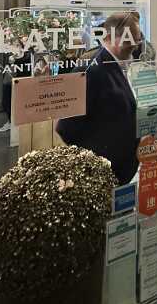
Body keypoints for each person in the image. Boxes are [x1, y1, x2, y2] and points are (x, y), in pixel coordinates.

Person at [57, 12, 141, 185]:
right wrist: (95, 157)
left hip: (119, 172)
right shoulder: (91, 69)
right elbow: (66, 127)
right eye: (129, 40)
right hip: (104, 174)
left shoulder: (116, 64)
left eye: (137, 40)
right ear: (109, 37)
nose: (134, 45)